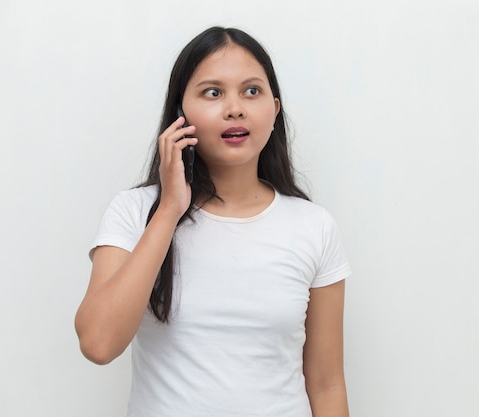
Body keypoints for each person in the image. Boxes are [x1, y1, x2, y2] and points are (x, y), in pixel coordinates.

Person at [75, 26, 351, 417]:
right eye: (213, 92)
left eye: (251, 91)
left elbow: (326, 385)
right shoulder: (135, 212)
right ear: (179, 114)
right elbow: (98, 343)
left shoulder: (313, 226)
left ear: (274, 109)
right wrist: (170, 209)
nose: (234, 108)